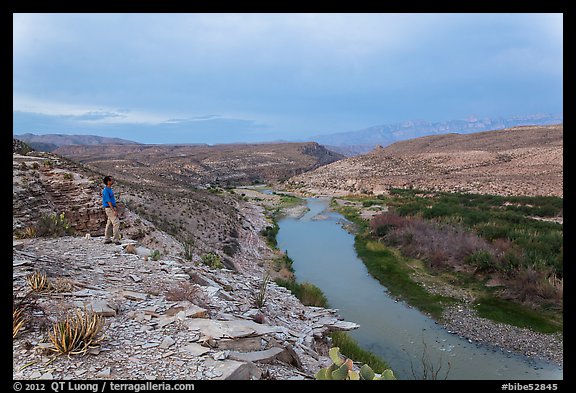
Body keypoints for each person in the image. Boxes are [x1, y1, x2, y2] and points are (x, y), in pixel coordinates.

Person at [102, 176, 121, 245]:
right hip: (109, 208)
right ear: (108, 182)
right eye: (111, 180)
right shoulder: (106, 190)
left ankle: (107, 239)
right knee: (116, 223)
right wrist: (113, 210)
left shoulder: (109, 189)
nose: (113, 181)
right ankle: (115, 239)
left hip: (110, 207)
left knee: (109, 223)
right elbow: (108, 201)